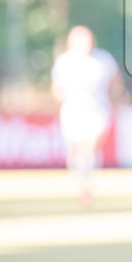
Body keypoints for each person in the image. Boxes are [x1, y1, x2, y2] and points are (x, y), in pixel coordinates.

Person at [50, 25, 122, 205]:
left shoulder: (103, 58)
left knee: (90, 146)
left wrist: (115, 97)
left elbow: (115, 80)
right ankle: (84, 183)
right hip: (73, 112)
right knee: (77, 153)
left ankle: (87, 186)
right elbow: (56, 88)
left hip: (97, 111)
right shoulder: (64, 62)